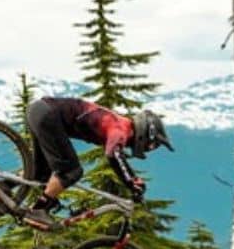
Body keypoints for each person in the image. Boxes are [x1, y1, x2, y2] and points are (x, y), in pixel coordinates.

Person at [18, 97, 173, 230]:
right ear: (145, 134)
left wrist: (132, 181)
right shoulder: (120, 128)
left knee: (39, 172)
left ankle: (3, 187)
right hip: (47, 114)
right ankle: (38, 210)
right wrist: (132, 182)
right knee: (71, 172)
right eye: (152, 145)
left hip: (39, 110)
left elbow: (115, 155)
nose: (149, 149)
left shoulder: (119, 123)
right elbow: (113, 154)